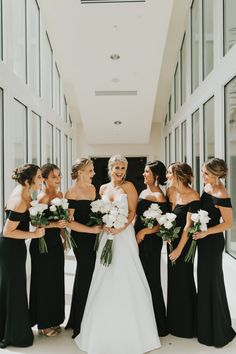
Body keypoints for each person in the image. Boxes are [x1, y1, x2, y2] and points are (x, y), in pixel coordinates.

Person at [75, 154, 161, 354]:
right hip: (107, 235)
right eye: (117, 168)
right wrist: (105, 224)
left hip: (124, 235)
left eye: (123, 168)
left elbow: (132, 212)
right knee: (105, 275)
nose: (120, 172)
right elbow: (99, 211)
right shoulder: (103, 188)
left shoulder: (130, 187)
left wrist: (121, 228)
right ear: (110, 168)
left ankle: (136, 332)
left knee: (126, 275)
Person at [0, 164, 45, 348]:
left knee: (13, 289)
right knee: (14, 290)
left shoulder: (25, 194)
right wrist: (34, 235)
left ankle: (9, 330)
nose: (41, 179)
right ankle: (13, 335)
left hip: (15, 248)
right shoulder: (19, 198)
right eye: (40, 176)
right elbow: (7, 231)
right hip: (10, 249)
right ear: (28, 181)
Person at [193, 158, 236, 347]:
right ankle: (205, 326)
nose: (202, 175)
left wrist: (206, 232)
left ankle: (218, 330)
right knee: (203, 281)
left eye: (206, 173)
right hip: (203, 241)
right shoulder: (207, 188)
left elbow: (228, 223)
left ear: (217, 174)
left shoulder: (222, 193)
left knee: (213, 282)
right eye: (202, 172)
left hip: (212, 242)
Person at [65, 158, 102, 338]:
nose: (93, 174)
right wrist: (90, 229)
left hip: (96, 237)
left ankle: (88, 318)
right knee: (86, 275)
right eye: (90, 171)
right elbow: (69, 224)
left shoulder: (93, 189)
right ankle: (81, 324)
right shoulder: (71, 193)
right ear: (80, 172)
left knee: (89, 275)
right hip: (81, 239)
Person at [29, 163, 67, 337]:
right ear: (44, 179)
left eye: (59, 176)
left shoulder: (59, 195)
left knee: (55, 281)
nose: (58, 179)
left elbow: (62, 220)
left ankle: (53, 319)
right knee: (44, 283)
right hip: (41, 244)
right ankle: (44, 324)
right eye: (54, 176)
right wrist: (54, 224)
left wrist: (64, 237)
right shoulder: (42, 197)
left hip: (55, 243)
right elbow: (36, 223)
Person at [134, 160, 169, 337]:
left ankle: (157, 323)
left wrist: (145, 231)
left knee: (151, 279)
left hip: (150, 242)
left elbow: (163, 225)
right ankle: (142, 319)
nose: (144, 174)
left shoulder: (160, 197)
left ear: (156, 175)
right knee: (139, 279)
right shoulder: (143, 191)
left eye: (147, 172)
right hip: (138, 240)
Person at [166, 162, 200, 338]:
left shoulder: (193, 196)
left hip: (184, 245)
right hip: (171, 241)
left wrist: (179, 250)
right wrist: (167, 234)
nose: (166, 177)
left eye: (169, 174)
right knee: (173, 282)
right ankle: (174, 323)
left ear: (178, 175)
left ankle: (187, 326)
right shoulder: (171, 192)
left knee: (183, 280)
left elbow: (188, 226)